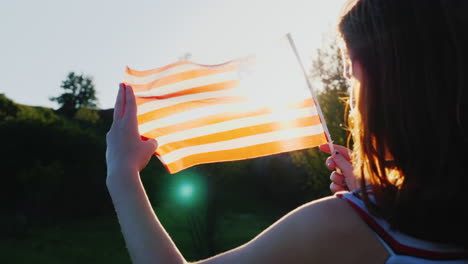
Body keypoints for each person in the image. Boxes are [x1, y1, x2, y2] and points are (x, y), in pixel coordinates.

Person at [105, 0, 468, 263]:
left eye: (350, 76)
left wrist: (122, 176)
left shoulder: (338, 227)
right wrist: (381, 199)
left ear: (386, 88)